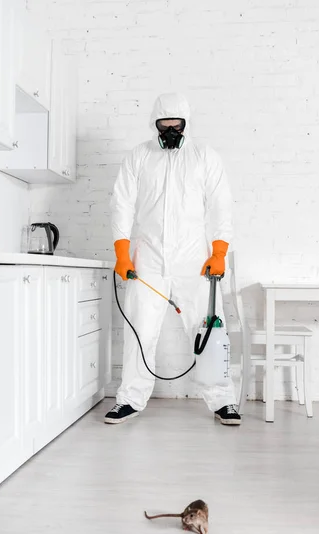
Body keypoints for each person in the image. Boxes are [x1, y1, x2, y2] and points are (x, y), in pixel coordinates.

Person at [105, 92, 241, 426]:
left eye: (175, 123)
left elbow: (221, 205)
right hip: (148, 260)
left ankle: (224, 401)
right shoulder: (139, 156)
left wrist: (219, 252)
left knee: (209, 329)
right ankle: (130, 399)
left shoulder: (203, 156)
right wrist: (122, 253)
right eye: (163, 123)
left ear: (185, 123)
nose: (169, 129)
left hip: (194, 261)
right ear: (155, 123)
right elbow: (121, 203)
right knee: (140, 329)